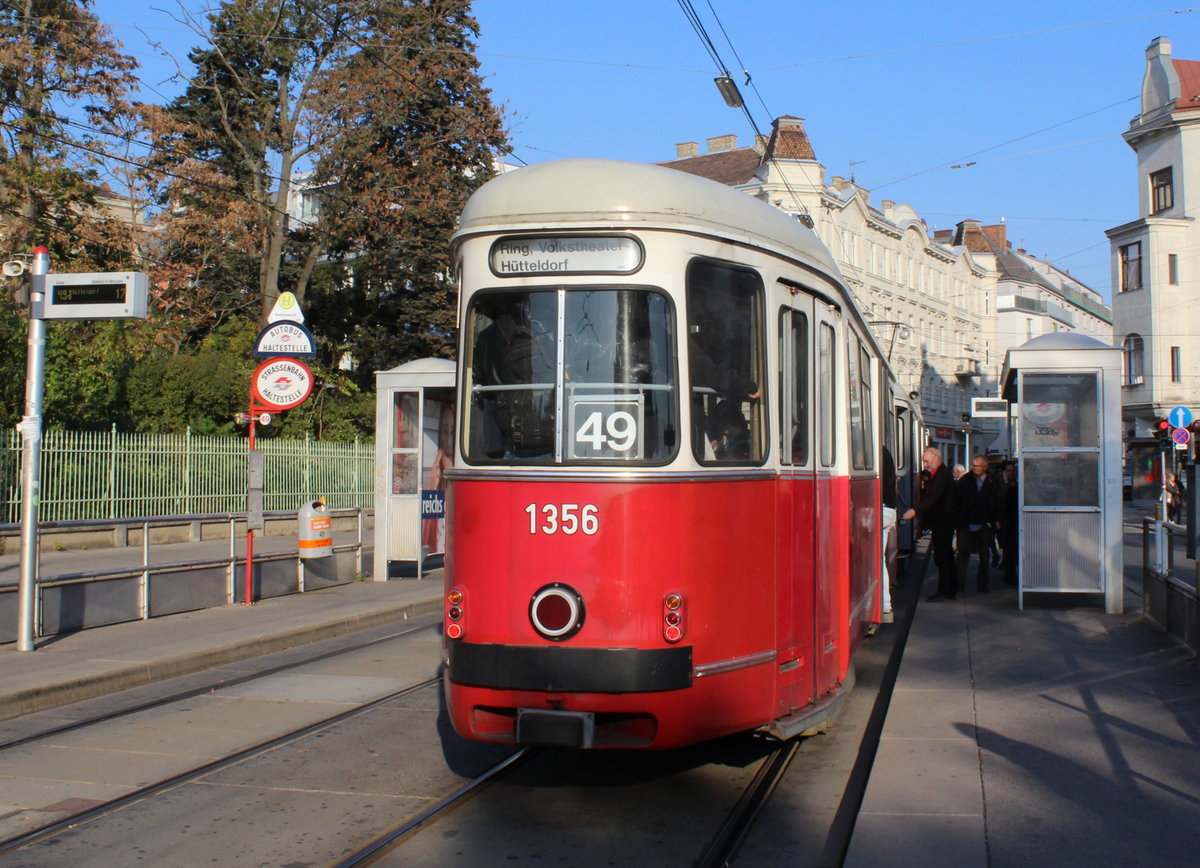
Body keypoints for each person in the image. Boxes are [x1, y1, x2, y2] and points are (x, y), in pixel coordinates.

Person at [904, 446, 958, 601]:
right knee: (944, 556)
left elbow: (933, 499)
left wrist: (915, 511)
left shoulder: (941, 476)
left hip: (943, 521)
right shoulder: (940, 474)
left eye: (926, 461)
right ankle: (950, 589)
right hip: (942, 521)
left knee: (942, 557)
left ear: (936, 457)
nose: (925, 464)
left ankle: (945, 590)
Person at [955, 455, 1001, 593]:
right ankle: (959, 583)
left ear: (985, 467)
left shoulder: (992, 481)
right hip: (966, 522)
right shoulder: (965, 480)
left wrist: (997, 519)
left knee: (984, 555)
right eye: (973, 465)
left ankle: (983, 584)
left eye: (978, 466)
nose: (975, 468)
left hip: (984, 523)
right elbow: (958, 500)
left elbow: (997, 501)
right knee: (963, 553)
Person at [1000, 461, 1019, 586]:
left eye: (1013, 470)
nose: (1011, 473)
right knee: (1008, 549)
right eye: (1008, 471)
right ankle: (1009, 573)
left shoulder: (1018, 485)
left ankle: (1012, 571)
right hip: (1006, 523)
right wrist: (1005, 484)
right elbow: (1000, 501)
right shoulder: (1002, 486)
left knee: (1014, 549)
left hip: (1016, 522)